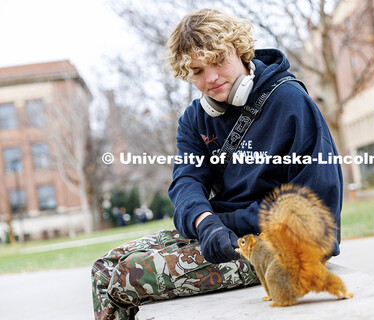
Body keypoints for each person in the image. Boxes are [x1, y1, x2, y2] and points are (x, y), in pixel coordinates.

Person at [91, 8, 342, 320]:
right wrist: (205, 223)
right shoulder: (194, 119)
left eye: (218, 61)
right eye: (197, 71)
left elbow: (315, 203)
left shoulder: (291, 102)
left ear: (240, 51)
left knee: (130, 274)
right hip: (225, 234)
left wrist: (225, 220)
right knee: (104, 269)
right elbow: (185, 184)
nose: (210, 78)